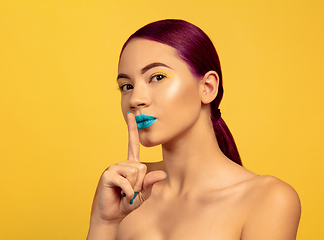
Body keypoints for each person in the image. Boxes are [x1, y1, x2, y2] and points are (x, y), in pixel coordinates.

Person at [86, 19, 301, 240]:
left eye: (157, 77)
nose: (136, 99)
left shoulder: (267, 200)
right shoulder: (122, 188)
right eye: (126, 86)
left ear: (208, 88)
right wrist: (105, 222)